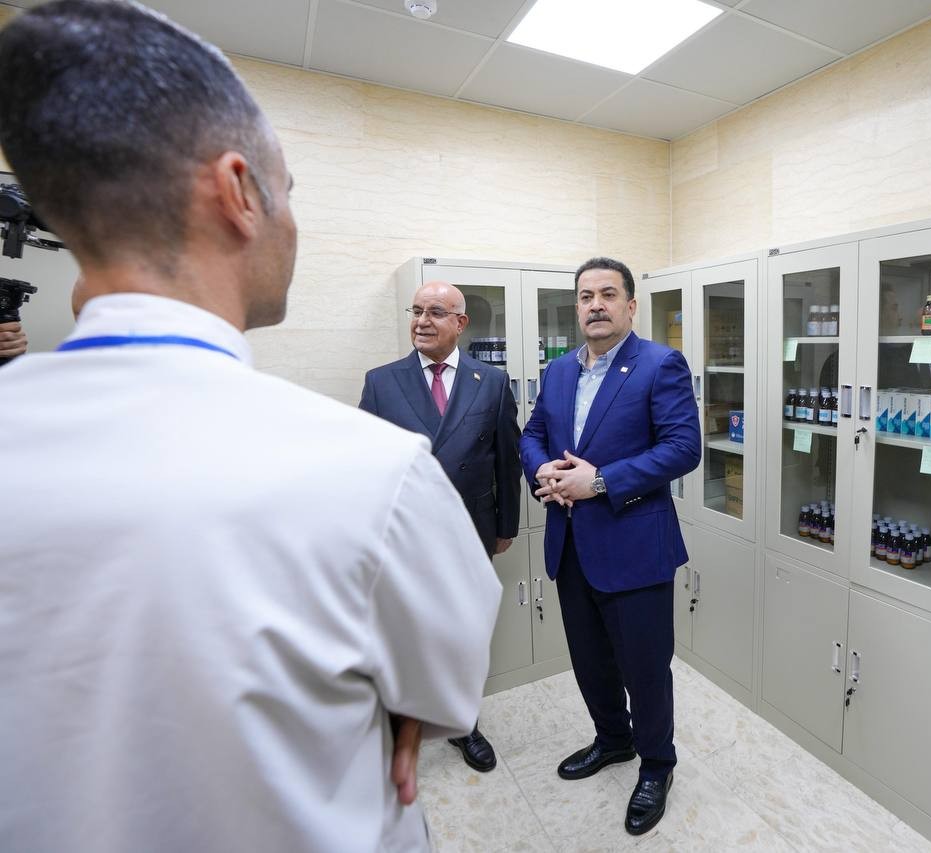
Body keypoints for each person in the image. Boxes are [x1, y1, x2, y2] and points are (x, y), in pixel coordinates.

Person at [0, 3, 500, 851]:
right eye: (289, 193)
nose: (293, 224)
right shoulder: (371, 471)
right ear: (238, 193)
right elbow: (445, 687)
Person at [519, 256, 700, 836]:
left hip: (635, 547)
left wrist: (599, 481)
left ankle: (657, 765)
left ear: (630, 305)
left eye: (607, 294)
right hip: (571, 544)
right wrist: (542, 468)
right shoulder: (558, 370)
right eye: (585, 296)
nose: (595, 305)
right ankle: (613, 739)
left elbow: (683, 448)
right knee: (590, 660)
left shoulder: (659, 364)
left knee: (645, 668)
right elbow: (533, 434)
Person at [359, 279, 522, 773]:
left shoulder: (490, 381)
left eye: (434, 312)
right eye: (416, 311)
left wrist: (506, 525)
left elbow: (507, 460)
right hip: (405, 535)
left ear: (460, 323)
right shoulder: (382, 381)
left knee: (463, 633)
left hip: (471, 529)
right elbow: (366, 466)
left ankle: (462, 723)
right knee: (406, 632)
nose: (422, 321)